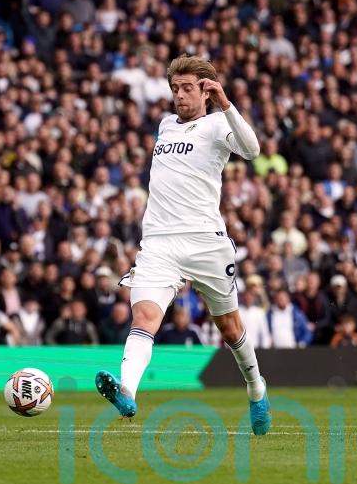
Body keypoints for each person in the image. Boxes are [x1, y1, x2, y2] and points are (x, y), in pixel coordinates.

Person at [97, 55, 271, 436]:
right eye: (175, 88)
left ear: (206, 91)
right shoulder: (165, 126)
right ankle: (127, 391)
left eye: (187, 88)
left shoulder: (216, 125)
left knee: (229, 326)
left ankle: (256, 388)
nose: (179, 95)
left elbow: (253, 150)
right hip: (158, 241)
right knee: (144, 317)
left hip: (205, 242)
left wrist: (226, 104)